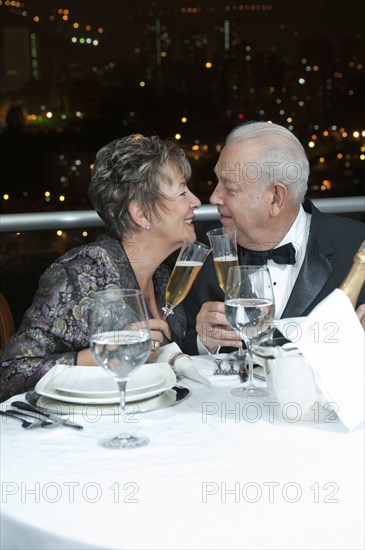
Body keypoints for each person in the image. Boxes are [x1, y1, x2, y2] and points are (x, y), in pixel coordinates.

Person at [0, 134, 201, 401]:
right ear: (141, 214)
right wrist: (104, 353)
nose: (197, 201)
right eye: (182, 192)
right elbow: (12, 373)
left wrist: (203, 341)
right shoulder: (81, 275)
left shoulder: (163, 278)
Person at [183, 121, 365, 354]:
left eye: (230, 188)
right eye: (216, 181)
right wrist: (202, 342)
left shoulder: (356, 246)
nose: (214, 197)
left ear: (276, 198)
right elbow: (178, 345)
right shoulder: (201, 251)